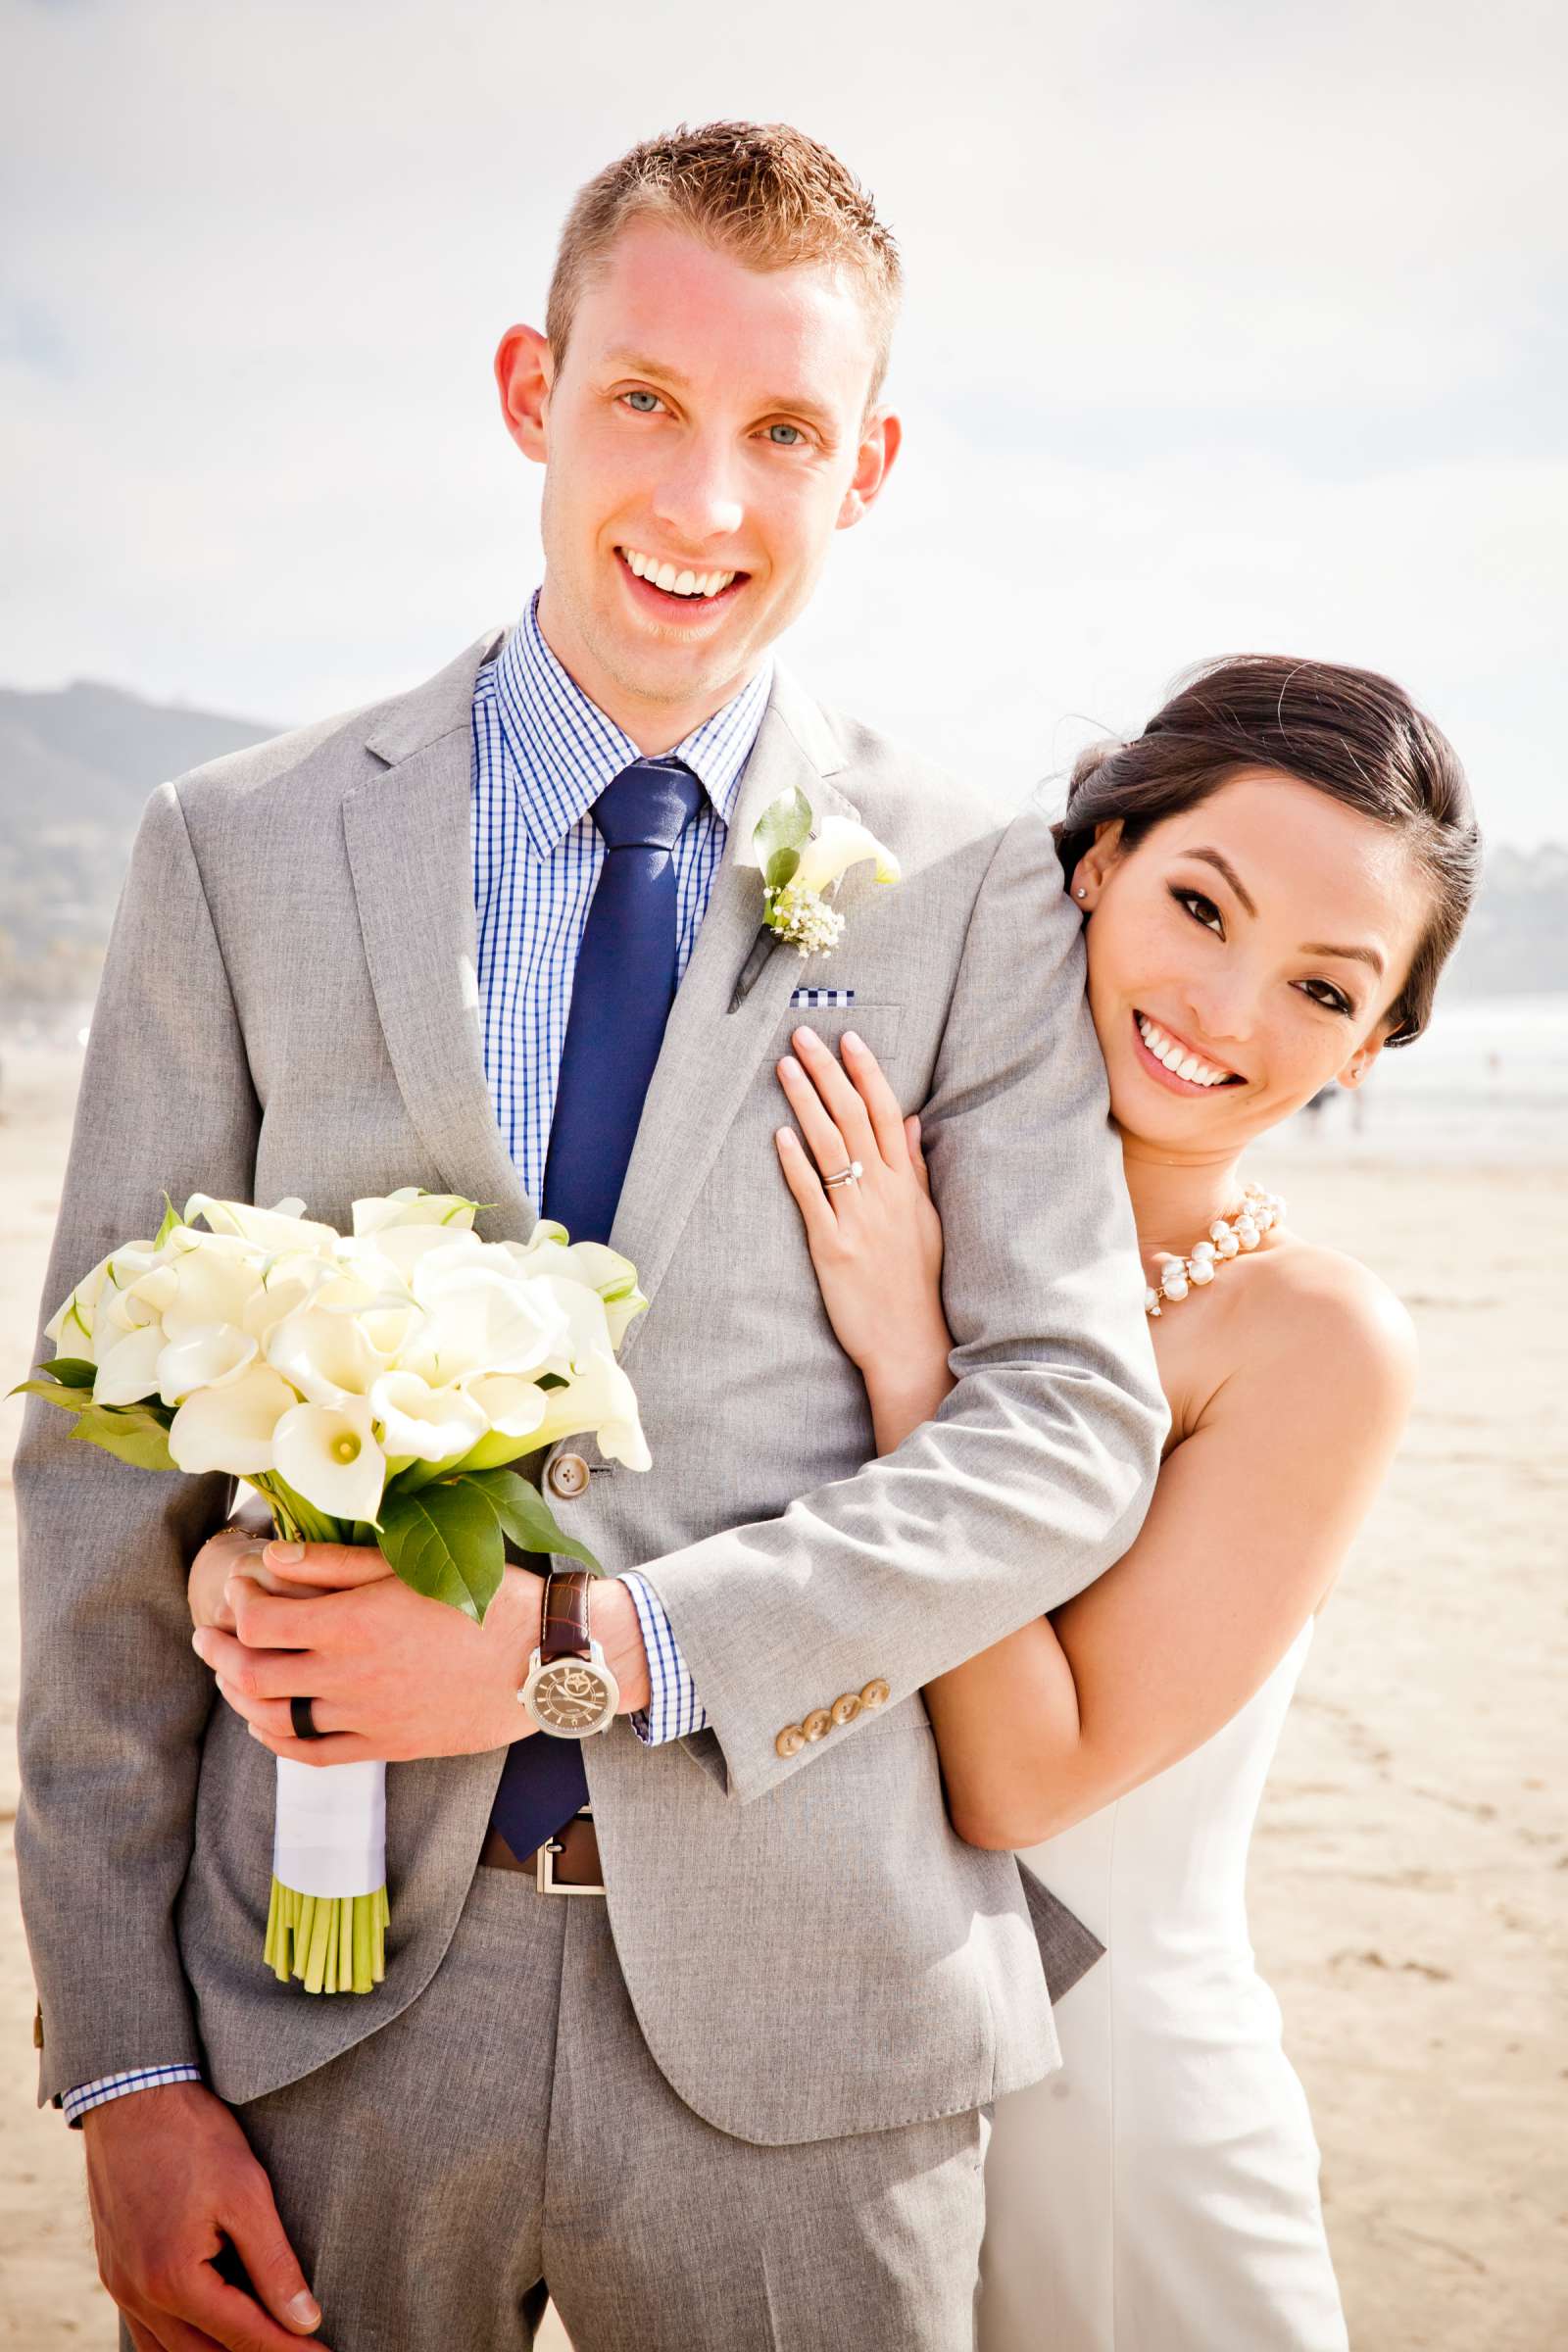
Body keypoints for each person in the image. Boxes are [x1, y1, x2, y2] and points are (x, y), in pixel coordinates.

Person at [15, 123, 1168, 2351]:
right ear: (530, 387)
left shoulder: (972, 893)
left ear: (871, 463)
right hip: (323, 2008)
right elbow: (95, 1479)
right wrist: (128, 2067)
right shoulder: (236, 850)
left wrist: (595, 1649)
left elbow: (1063, 1434)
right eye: (645, 399)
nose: (703, 501)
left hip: (809, 2039)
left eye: (782, 433)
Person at [769, 654, 1479, 2350]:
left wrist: (914, 1368)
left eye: (1325, 992)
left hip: (1109, 2128)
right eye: (1201, 906)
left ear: (1375, 1046)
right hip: (819, 2095)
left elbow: (1028, 1779)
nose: (1230, 1011)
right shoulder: (885, 1169)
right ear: (1097, 862)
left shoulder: (1314, 1342)